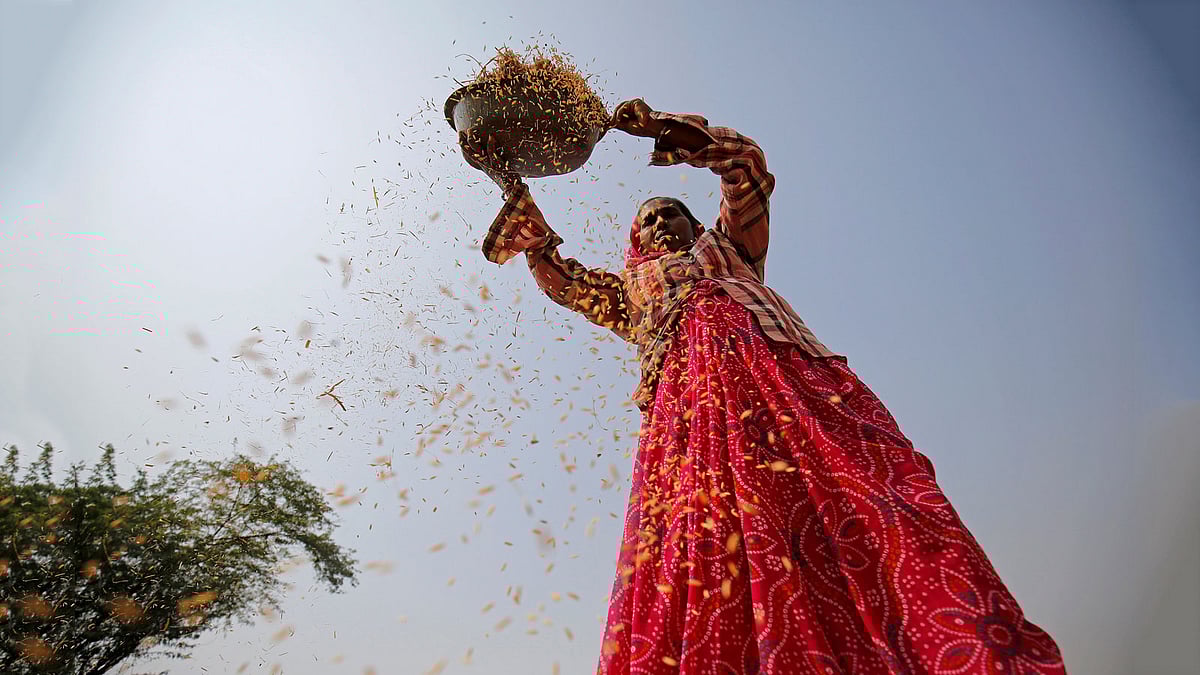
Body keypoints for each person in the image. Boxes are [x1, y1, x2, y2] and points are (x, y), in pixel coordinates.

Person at [460, 100, 1067, 674]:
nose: (657, 221)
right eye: (645, 220)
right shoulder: (630, 295)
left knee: (848, 492)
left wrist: (660, 129)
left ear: (694, 221)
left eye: (669, 211)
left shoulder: (731, 249)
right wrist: (515, 196)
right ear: (635, 244)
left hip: (785, 384)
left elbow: (747, 170)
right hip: (690, 418)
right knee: (705, 535)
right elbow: (564, 282)